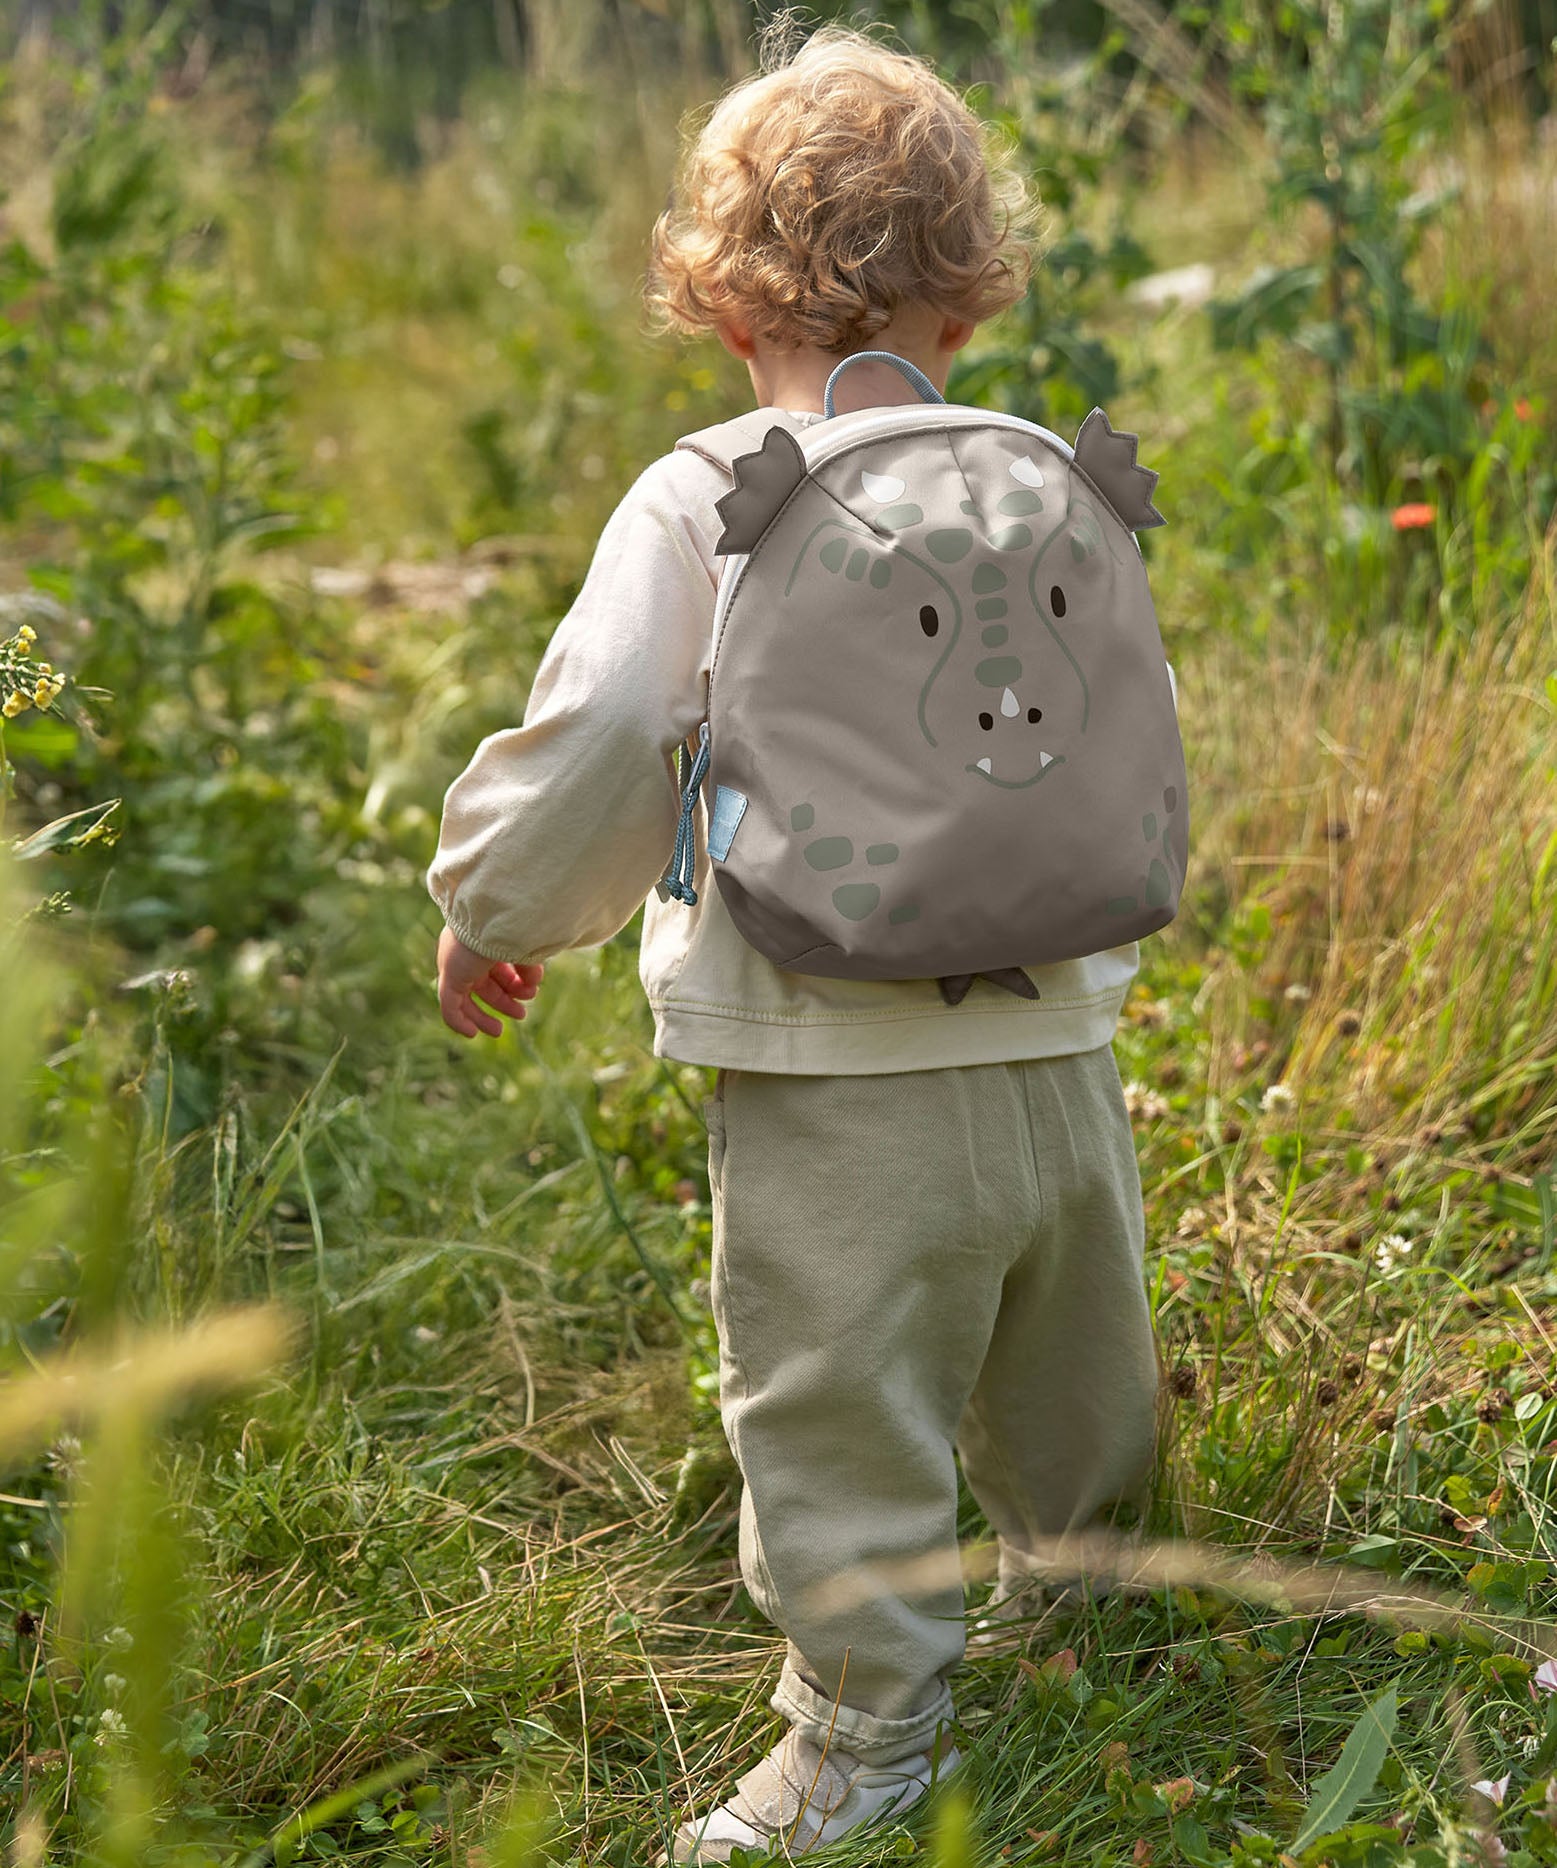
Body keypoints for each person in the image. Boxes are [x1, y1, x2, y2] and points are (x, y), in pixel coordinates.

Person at [427, 20, 1164, 1862]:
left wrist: (500, 913)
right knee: (1072, 1354)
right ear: (971, 278)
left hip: (823, 1053)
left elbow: (604, 733)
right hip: (1062, 1033)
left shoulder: (706, 491)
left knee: (836, 1394)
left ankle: (861, 1745)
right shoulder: (1026, 466)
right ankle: (1087, 1605)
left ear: (716, 273)